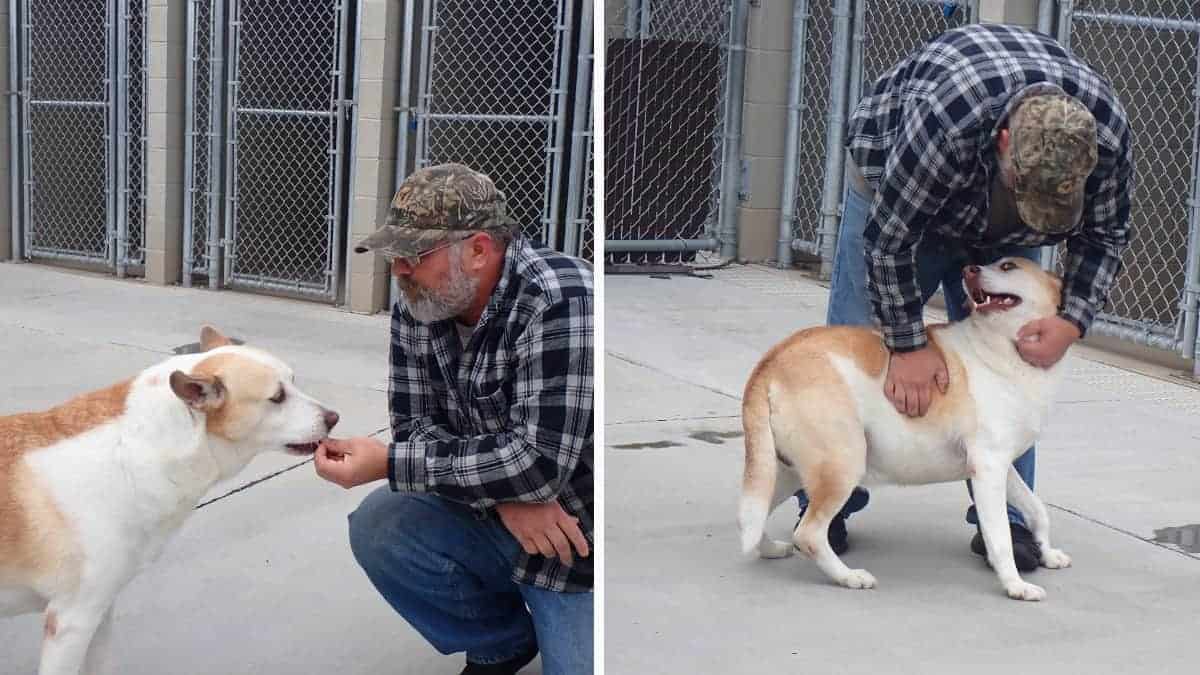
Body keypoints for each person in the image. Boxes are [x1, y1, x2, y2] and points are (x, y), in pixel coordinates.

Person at [796, 23, 1134, 570]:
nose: (1038, 219)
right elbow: (889, 243)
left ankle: (1009, 523)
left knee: (1013, 365)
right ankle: (828, 505)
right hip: (897, 192)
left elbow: (1105, 235)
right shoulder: (947, 123)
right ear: (1005, 145)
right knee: (855, 345)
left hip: (987, 220)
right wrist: (907, 346)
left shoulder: (1106, 136)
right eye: (1031, 199)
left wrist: (1072, 320)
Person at [313, 163, 594, 675]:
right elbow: (414, 428)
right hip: (504, 515)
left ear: (480, 250)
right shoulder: (419, 306)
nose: (398, 270)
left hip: (573, 543)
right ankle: (501, 643)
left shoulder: (561, 298)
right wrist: (507, 493)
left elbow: (538, 462)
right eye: (394, 255)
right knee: (382, 524)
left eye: (413, 255)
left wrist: (391, 463)